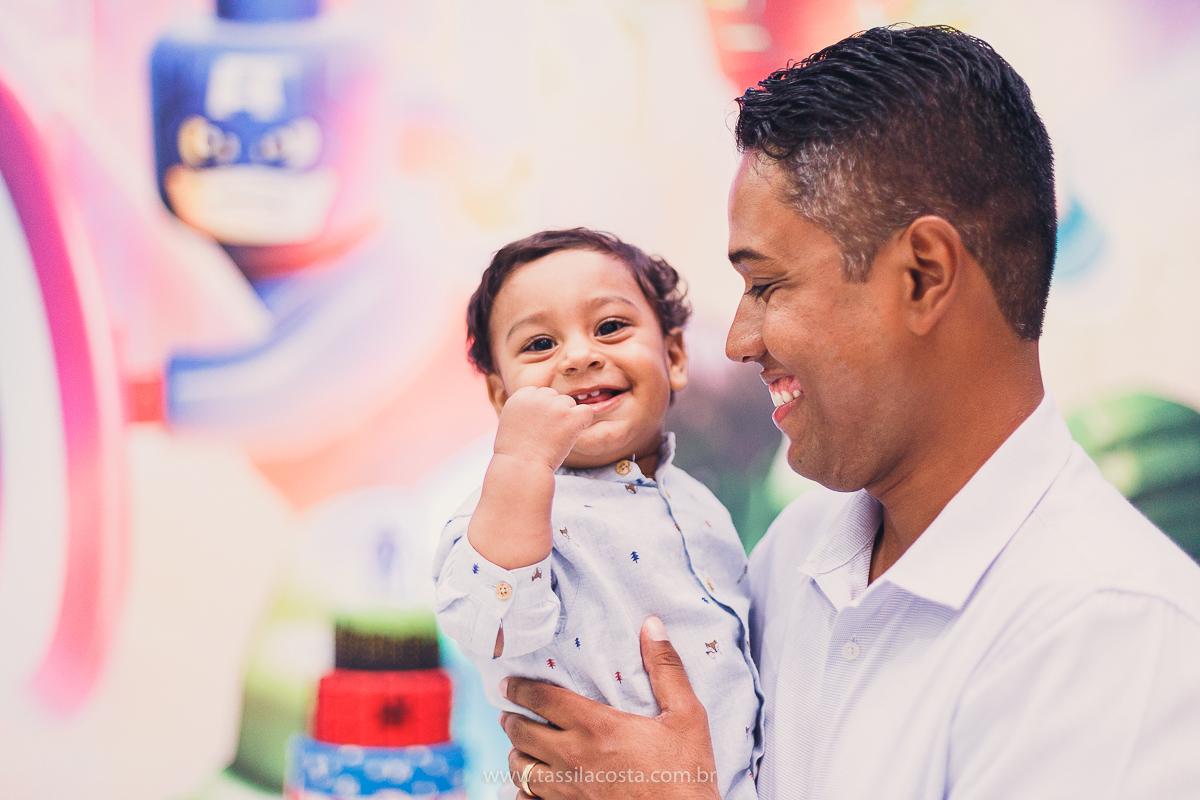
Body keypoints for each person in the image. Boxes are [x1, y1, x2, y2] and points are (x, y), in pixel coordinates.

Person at [496, 25, 1200, 800]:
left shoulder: (1114, 634)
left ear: (924, 277)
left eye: (767, 285)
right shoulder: (800, 549)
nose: (738, 341)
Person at [431, 229, 762, 800]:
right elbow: (487, 624)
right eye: (538, 345)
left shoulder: (700, 506)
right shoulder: (514, 505)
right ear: (500, 396)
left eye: (610, 327)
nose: (580, 356)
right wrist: (524, 460)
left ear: (675, 357)